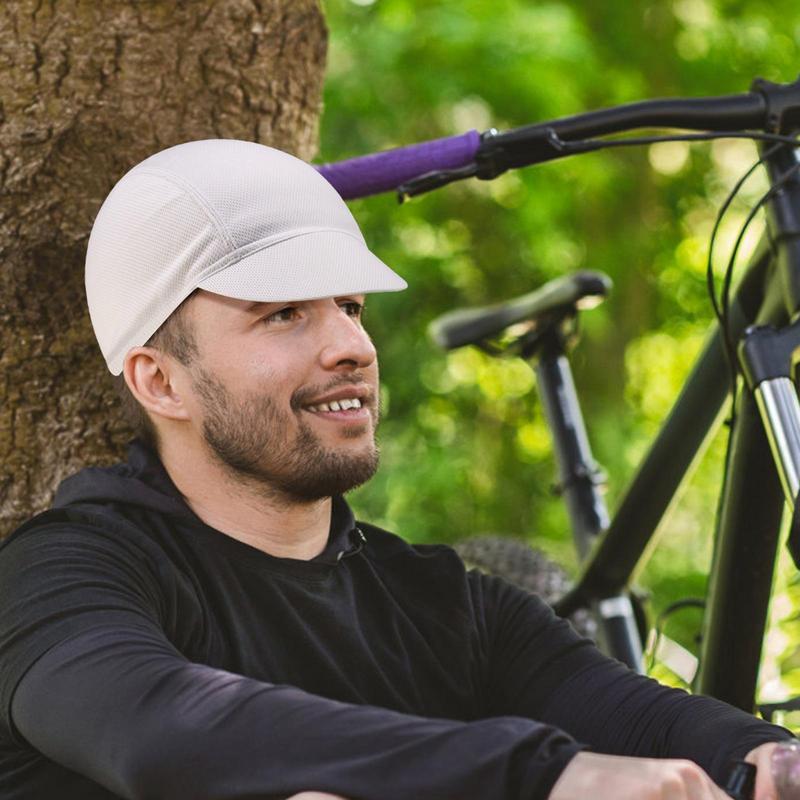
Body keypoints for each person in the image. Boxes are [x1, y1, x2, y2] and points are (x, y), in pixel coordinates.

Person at [0, 139, 794, 800]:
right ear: (159, 380)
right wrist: (544, 776)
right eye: (283, 313)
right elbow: (160, 730)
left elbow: (648, 720)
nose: (353, 346)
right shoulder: (63, 577)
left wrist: (767, 758)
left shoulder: (448, 605)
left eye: (350, 306)